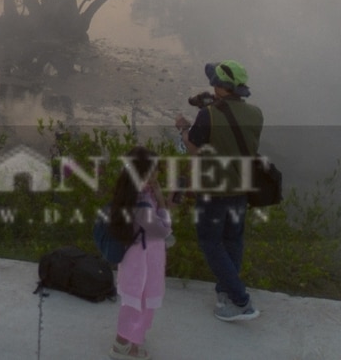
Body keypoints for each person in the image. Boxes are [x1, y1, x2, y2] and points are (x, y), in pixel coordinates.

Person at [174, 59, 264, 323]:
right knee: (233, 240)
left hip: (214, 190)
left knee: (210, 242)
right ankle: (224, 294)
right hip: (241, 187)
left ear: (221, 86)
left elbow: (195, 148)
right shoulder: (256, 113)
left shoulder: (208, 114)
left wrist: (183, 128)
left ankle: (241, 301)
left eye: (214, 81)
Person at [105, 147, 169, 359]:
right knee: (136, 306)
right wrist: (161, 201)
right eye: (155, 171)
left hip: (139, 262)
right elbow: (164, 230)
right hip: (142, 266)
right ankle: (121, 346)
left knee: (138, 305)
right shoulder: (143, 204)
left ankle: (133, 340)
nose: (158, 174)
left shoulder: (134, 193)